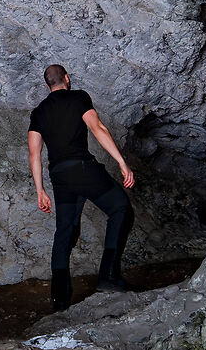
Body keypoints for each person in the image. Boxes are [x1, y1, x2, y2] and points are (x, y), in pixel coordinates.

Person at [28, 63, 135, 309]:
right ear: (66, 78)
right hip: (82, 169)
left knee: (65, 231)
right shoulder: (79, 97)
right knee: (121, 209)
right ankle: (108, 277)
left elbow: (34, 154)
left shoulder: (39, 112)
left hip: (59, 177)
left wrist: (40, 190)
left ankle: (60, 300)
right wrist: (122, 162)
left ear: (47, 85)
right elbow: (98, 128)